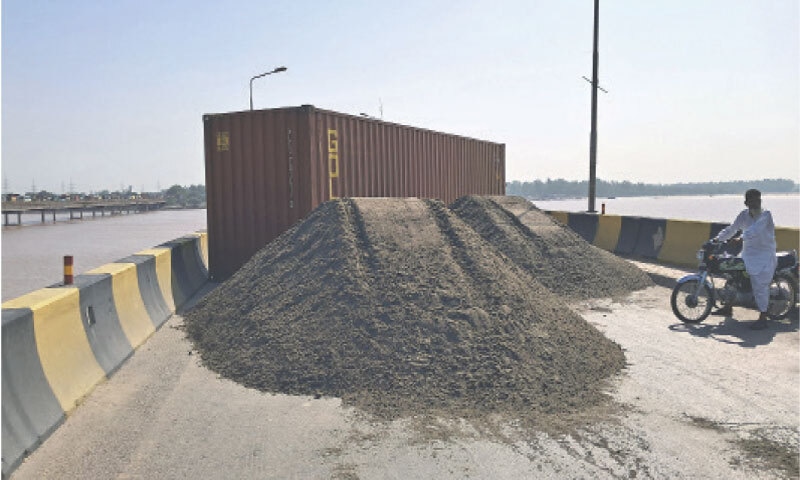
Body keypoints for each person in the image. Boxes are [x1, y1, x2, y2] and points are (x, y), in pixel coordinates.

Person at [711, 189, 777, 329]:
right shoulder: (743, 215)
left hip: (764, 255)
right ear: (746, 202)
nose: (756, 202)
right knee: (733, 276)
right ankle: (728, 307)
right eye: (752, 200)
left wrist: (741, 238)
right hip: (747, 253)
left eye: (758, 200)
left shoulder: (765, 215)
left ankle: (763, 317)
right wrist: (717, 239)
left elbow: (755, 230)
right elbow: (732, 229)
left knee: (760, 285)